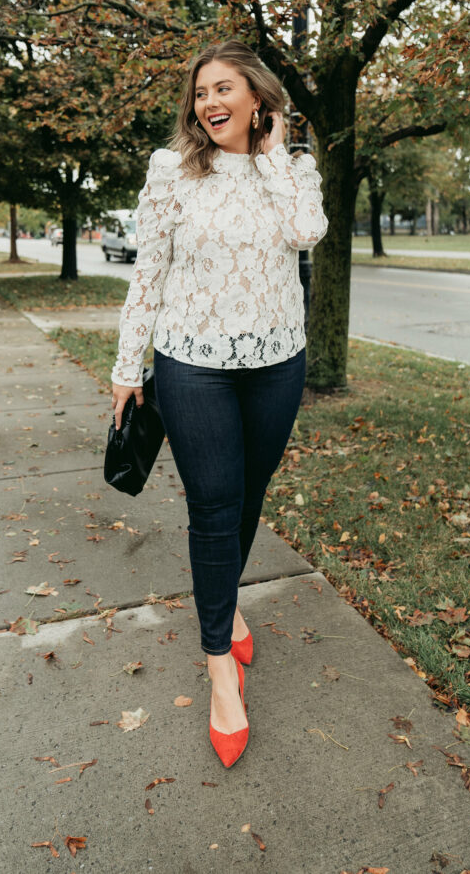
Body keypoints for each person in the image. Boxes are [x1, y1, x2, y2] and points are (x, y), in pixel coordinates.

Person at [110, 40, 328, 767]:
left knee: (249, 495)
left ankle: (225, 600)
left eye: (224, 87)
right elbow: (150, 271)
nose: (209, 102)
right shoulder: (171, 169)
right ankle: (220, 670)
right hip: (190, 362)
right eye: (201, 91)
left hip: (277, 361)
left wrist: (272, 156)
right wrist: (126, 363)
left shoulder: (292, 170)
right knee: (213, 505)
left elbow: (308, 232)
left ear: (258, 99)